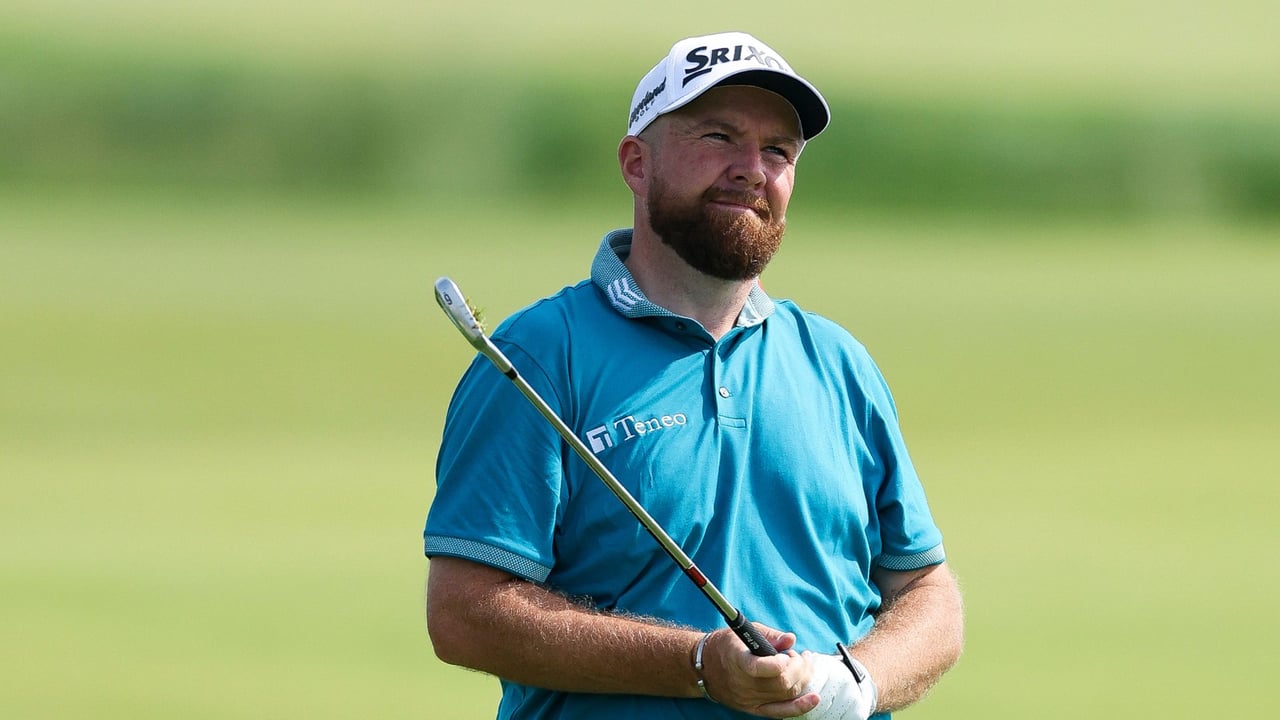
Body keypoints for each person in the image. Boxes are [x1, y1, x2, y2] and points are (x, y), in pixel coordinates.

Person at [424, 31, 964, 720]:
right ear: (636, 164)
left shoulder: (838, 363)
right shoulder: (540, 354)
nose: (751, 167)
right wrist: (699, 665)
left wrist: (857, 684)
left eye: (778, 150)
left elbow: (928, 594)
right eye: (718, 136)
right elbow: (466, 613)